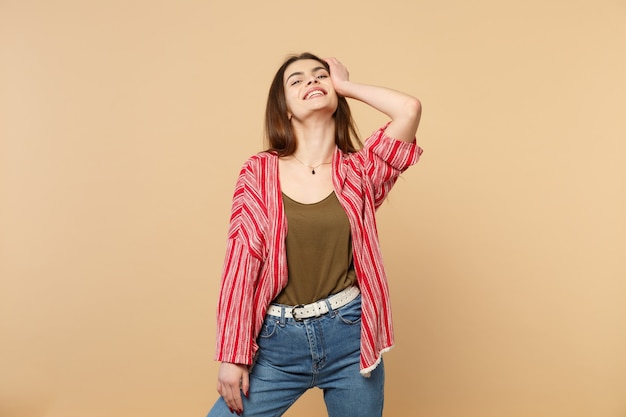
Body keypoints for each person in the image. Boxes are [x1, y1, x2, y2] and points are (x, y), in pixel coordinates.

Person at [207, 52, 423, 417]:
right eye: (297, 80)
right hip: (278, 344)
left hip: (350, 340)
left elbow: (409, 109)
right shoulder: (259, 171)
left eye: (319, 75)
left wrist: (345, 86)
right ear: (285, 108)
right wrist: (233, 354)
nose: (311, 81)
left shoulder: (360, 172)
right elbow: (241, 263)